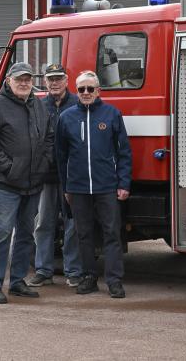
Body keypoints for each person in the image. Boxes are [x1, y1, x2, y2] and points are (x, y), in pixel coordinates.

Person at [0, 62, 54, 304]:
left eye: (28, 79)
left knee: (25, 234)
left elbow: (49, 137)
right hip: (7, 183)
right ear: (8, 80)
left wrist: (44, 163)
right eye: (19, 79)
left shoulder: (39, 105)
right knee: (2, 233)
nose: (24, 83)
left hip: (33, 183)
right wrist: (9, 167)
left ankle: (18, 281)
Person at [55, 70, 131, 299]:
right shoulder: (66, 118)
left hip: (107, 186)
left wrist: (124, 183)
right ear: (76, 91)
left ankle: (114, 280)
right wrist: (66, 187)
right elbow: (60, 155)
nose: (86, 93)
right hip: (78, 188)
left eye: (90, 88)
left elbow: (124, 152)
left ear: (99, 90)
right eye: (81, 89)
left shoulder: (112, 115)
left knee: (111, 233)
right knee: (83, 234)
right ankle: (89, 277)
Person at [27, 64, 83, 288]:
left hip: (71, 176)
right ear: (45, 82)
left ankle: (74, 271)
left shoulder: (78, 104)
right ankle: (43, 270)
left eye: (58, 78)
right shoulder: (38, 106)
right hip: (47, 177)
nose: (54, 83)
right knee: (43, 224)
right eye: (50, 79)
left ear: (66, 80)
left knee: (73, 225)